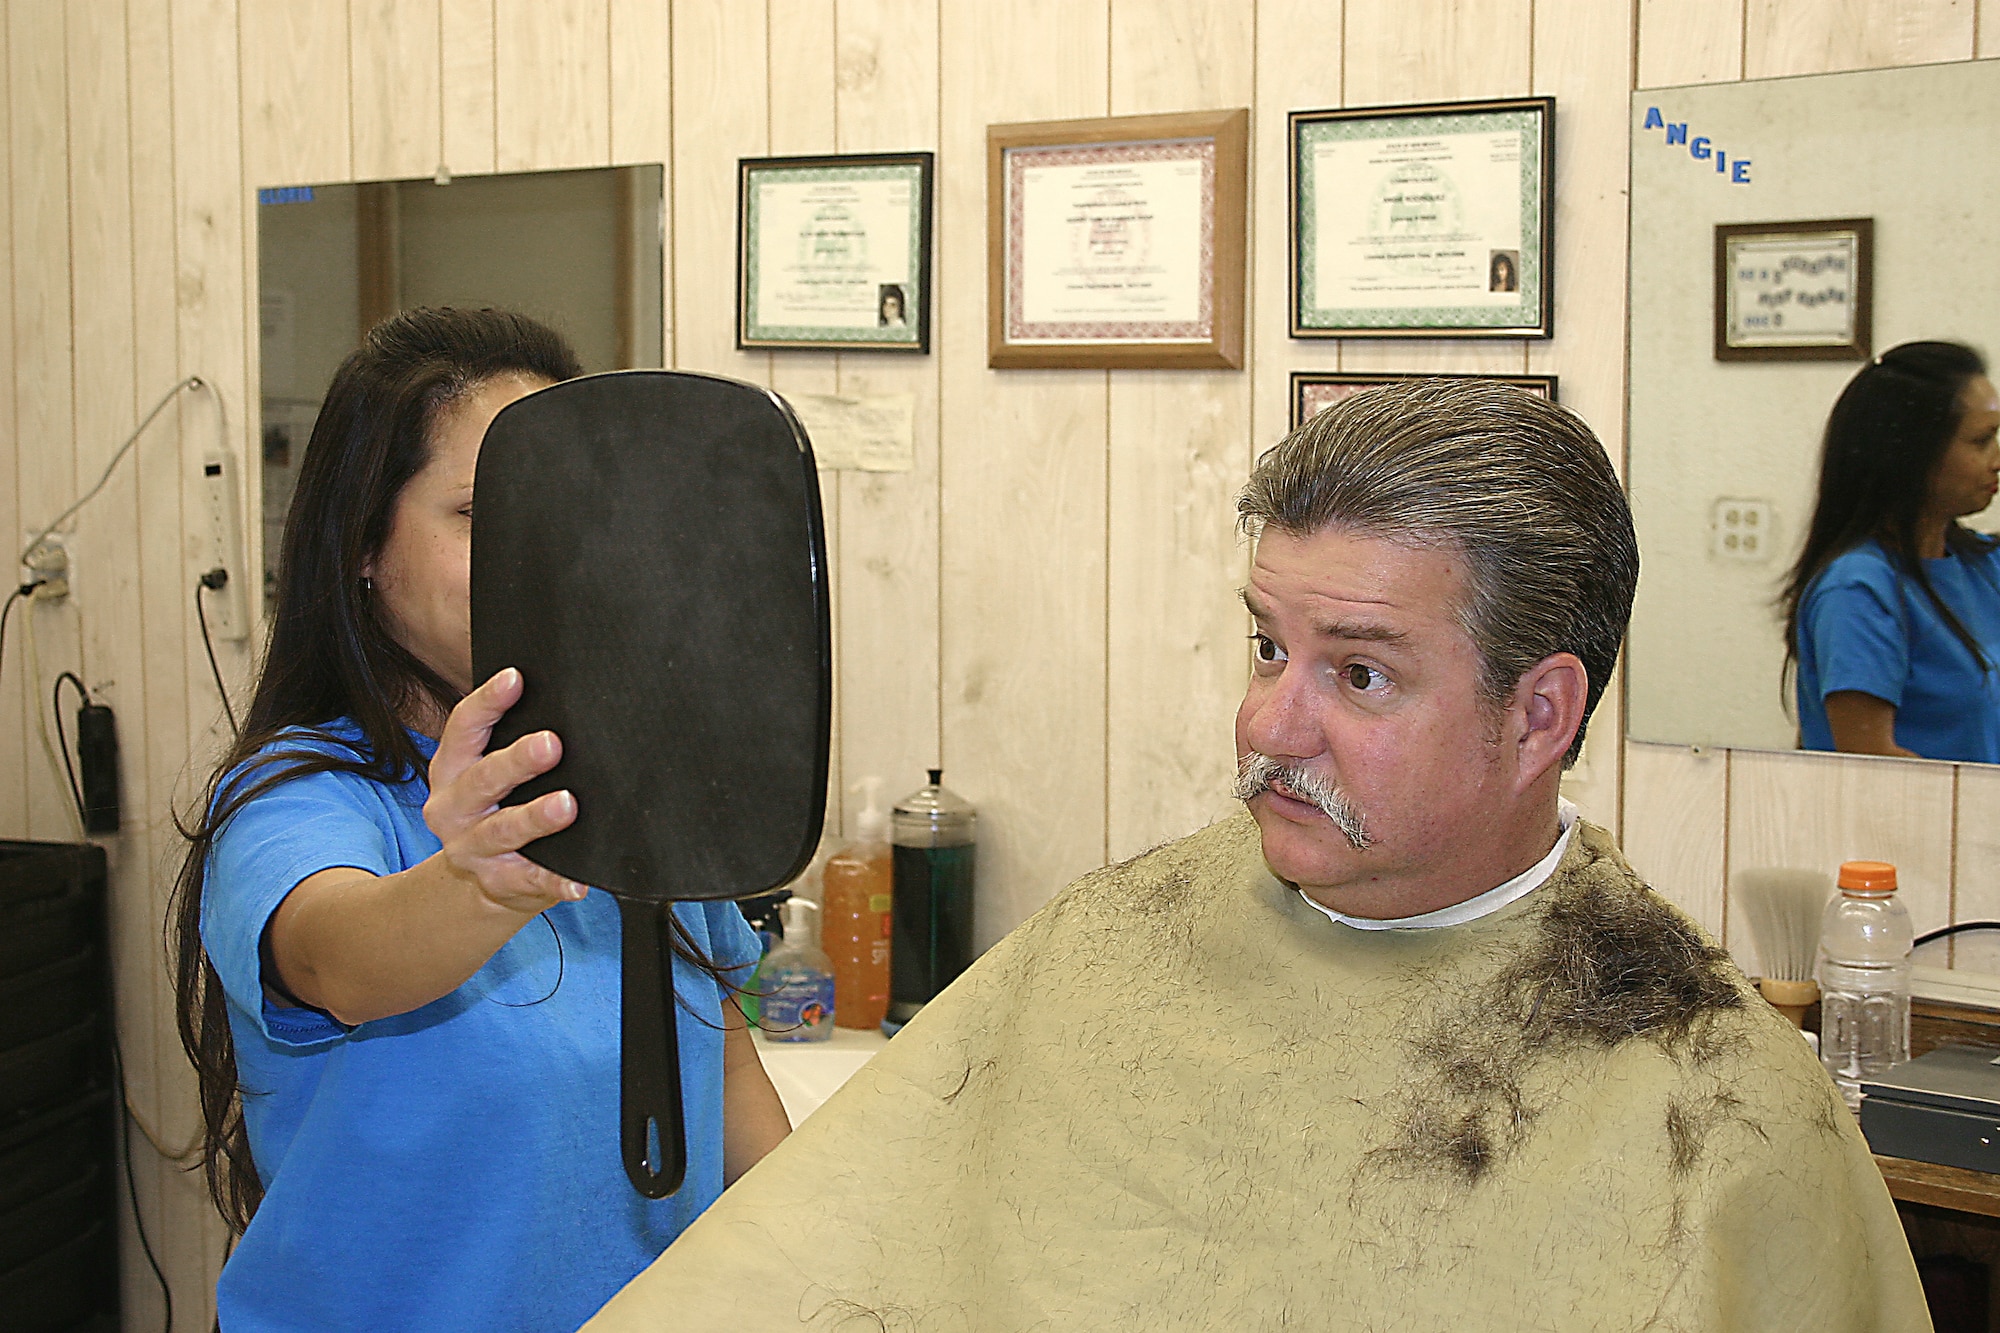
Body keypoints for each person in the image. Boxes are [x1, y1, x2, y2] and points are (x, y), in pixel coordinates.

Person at [585, 380, 1925, 1331]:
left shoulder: (1717, 1102)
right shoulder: (1114, 942)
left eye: (1358, 672)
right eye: (1269, 648)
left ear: (1539, 713)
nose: (1270, 723)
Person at [169, 307, 791, 1331]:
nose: (535, 549)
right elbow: (344, 960)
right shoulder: (296, 796)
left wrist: (830, 1261)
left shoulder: (635, 767)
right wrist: (476, 879)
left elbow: (719, 1064)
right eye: (477, 510)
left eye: (559, 508)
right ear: (364, 547)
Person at [1784, 340, 2000, 761]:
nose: (1997, 459)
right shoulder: (1857, 589)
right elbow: (1874, 766)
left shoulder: (1983, 564)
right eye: (1981, 441)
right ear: (1915, 454)